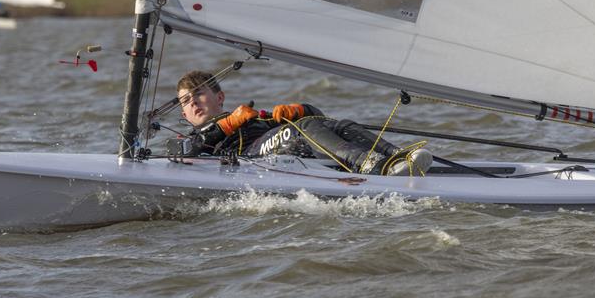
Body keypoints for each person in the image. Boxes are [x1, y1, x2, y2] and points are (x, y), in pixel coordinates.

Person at [171, 70, 432, 176]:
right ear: (184, 114)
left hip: (284, 146)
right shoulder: (191, 139)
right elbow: (193, 151)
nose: (193, 102)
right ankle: (369, 164)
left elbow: (319, 119)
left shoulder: (249, 116)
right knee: (300, 128)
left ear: (219, 97)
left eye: (199, 94)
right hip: (251, 158)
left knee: (337, 124)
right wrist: (228, 124)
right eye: (185, 101)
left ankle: (397, 157)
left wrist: (302, 108)